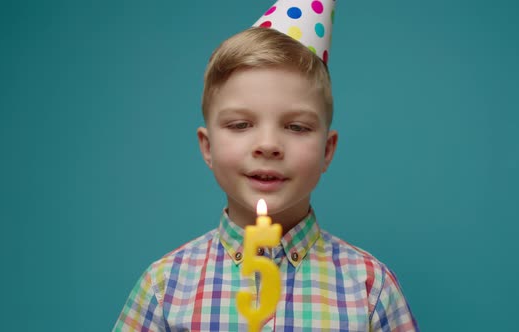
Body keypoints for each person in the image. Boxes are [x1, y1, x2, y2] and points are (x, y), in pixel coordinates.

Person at [114, 1, 418, 331]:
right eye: (241, 125)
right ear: (207, 147)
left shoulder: (370, 289)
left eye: (297, 127)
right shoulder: (164, 289)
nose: (269, 145)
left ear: (327, 150)